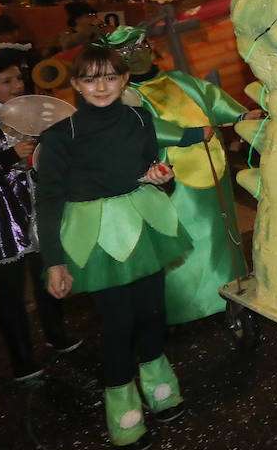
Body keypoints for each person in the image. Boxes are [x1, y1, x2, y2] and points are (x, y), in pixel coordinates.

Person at [36, 45, 190, 450]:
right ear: (75, 85)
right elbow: (48, 199)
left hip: (144, 224)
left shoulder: (140, 117)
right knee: (118, 325)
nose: (100, 86)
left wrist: (161, 177)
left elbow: (152, 167)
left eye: (109, 77)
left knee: (154, 313)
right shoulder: (60, 136)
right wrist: (54, 261)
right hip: (98, 236)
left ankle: (159, 386)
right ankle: (123, 408)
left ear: (124, 80)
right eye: (90, 78)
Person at [98, 26, 264, 325]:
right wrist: (186, 134)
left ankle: (231, 287)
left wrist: (240, 115)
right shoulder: (123, 96)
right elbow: (141, 129)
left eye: (141, 45)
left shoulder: (177, 80)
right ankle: (188, 304)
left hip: (212, 167)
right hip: (170, 176)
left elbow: (211, 99)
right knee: (184, 234)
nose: (137, 54)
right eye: (125, 51)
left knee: (220, 229)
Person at [0, 44, 77, 382]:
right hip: (0, 222)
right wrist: (8, 158)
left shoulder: (32, 117)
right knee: (8, 292)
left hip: (38, 213)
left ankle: (57, 333)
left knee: (49, 273)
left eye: (18, 78)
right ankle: (21, 358)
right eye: (6, 81)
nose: (17, 86)